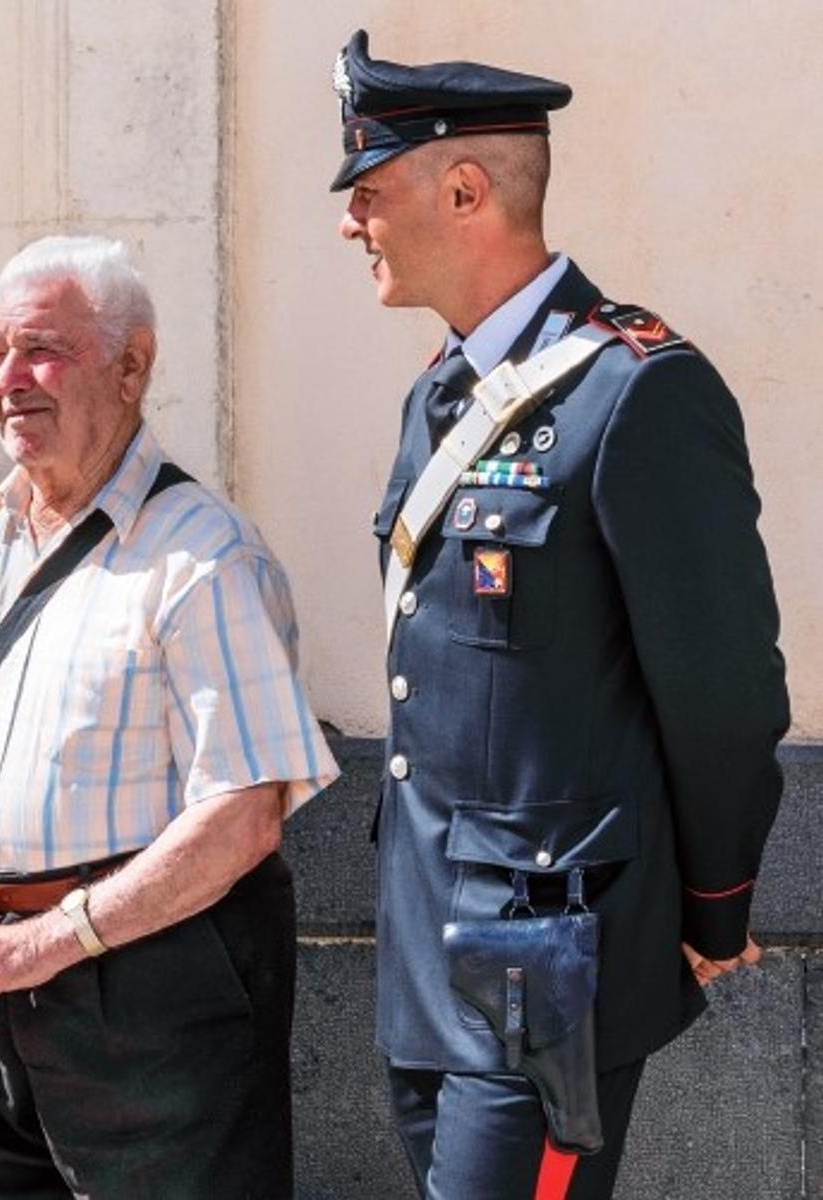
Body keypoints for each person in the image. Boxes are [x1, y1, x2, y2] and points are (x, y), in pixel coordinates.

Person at [333, 29, 788, 1199]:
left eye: (369, 192)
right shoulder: (438, 395)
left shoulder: (635, 390)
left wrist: (713, 904)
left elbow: (722, 690)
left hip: (545, 963)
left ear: (465, 190)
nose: (351, 222)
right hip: (429, 950)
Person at [0, 235, 338, 1198]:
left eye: (42, 349)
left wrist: (47, 942)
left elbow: (245, 814)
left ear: (132, 365)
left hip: (151, 991)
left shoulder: (205, 557)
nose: (12, 378)